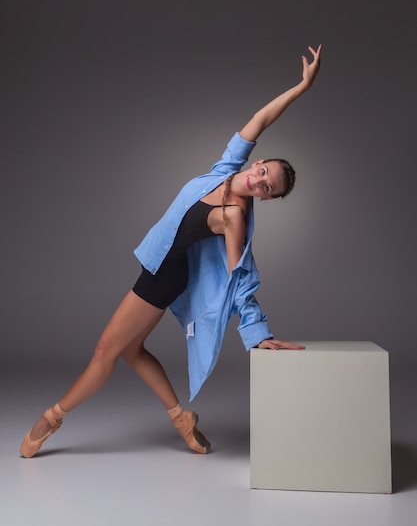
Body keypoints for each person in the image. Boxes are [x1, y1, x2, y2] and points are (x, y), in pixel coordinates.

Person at [20, 44, 322, 458]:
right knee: (131, 350)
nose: (262, 182)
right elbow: (260, 119)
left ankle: (51, 418)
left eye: (269, 189)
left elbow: (239, 275)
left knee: (105, 351)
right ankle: (182, 418)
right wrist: (301, 87)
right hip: (159, 265)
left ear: (267, 199)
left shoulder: (234, 215)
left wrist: (257, 331)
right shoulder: (227, 169)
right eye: (265, 173)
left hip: (164, 277)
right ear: (259, 163)